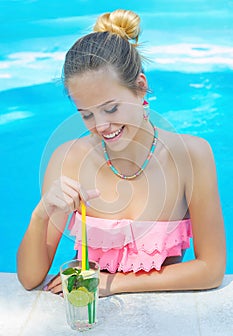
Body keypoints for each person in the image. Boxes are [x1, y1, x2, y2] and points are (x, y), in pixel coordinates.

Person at [17, 9, 226, 297]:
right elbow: (30, 279)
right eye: (86, 114)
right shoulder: (68, 160)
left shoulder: (192, 155)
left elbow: (211, 269)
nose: (101, 125)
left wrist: (113, 285)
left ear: (140, 88)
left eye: (111, 108)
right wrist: (40, 215)